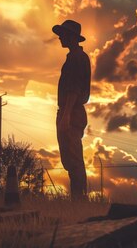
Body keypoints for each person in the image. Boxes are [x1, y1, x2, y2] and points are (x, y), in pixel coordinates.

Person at [52, 19, 91, 200]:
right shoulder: (74, 57)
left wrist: (66, 115)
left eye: (63, 34)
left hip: (72, 111)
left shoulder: (77, 58)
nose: (60, 37)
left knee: (73, 158)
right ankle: (77, 198)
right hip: (70, 111)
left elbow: (74, 89)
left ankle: (79, 199)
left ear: (72, 37)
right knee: (69, 158)